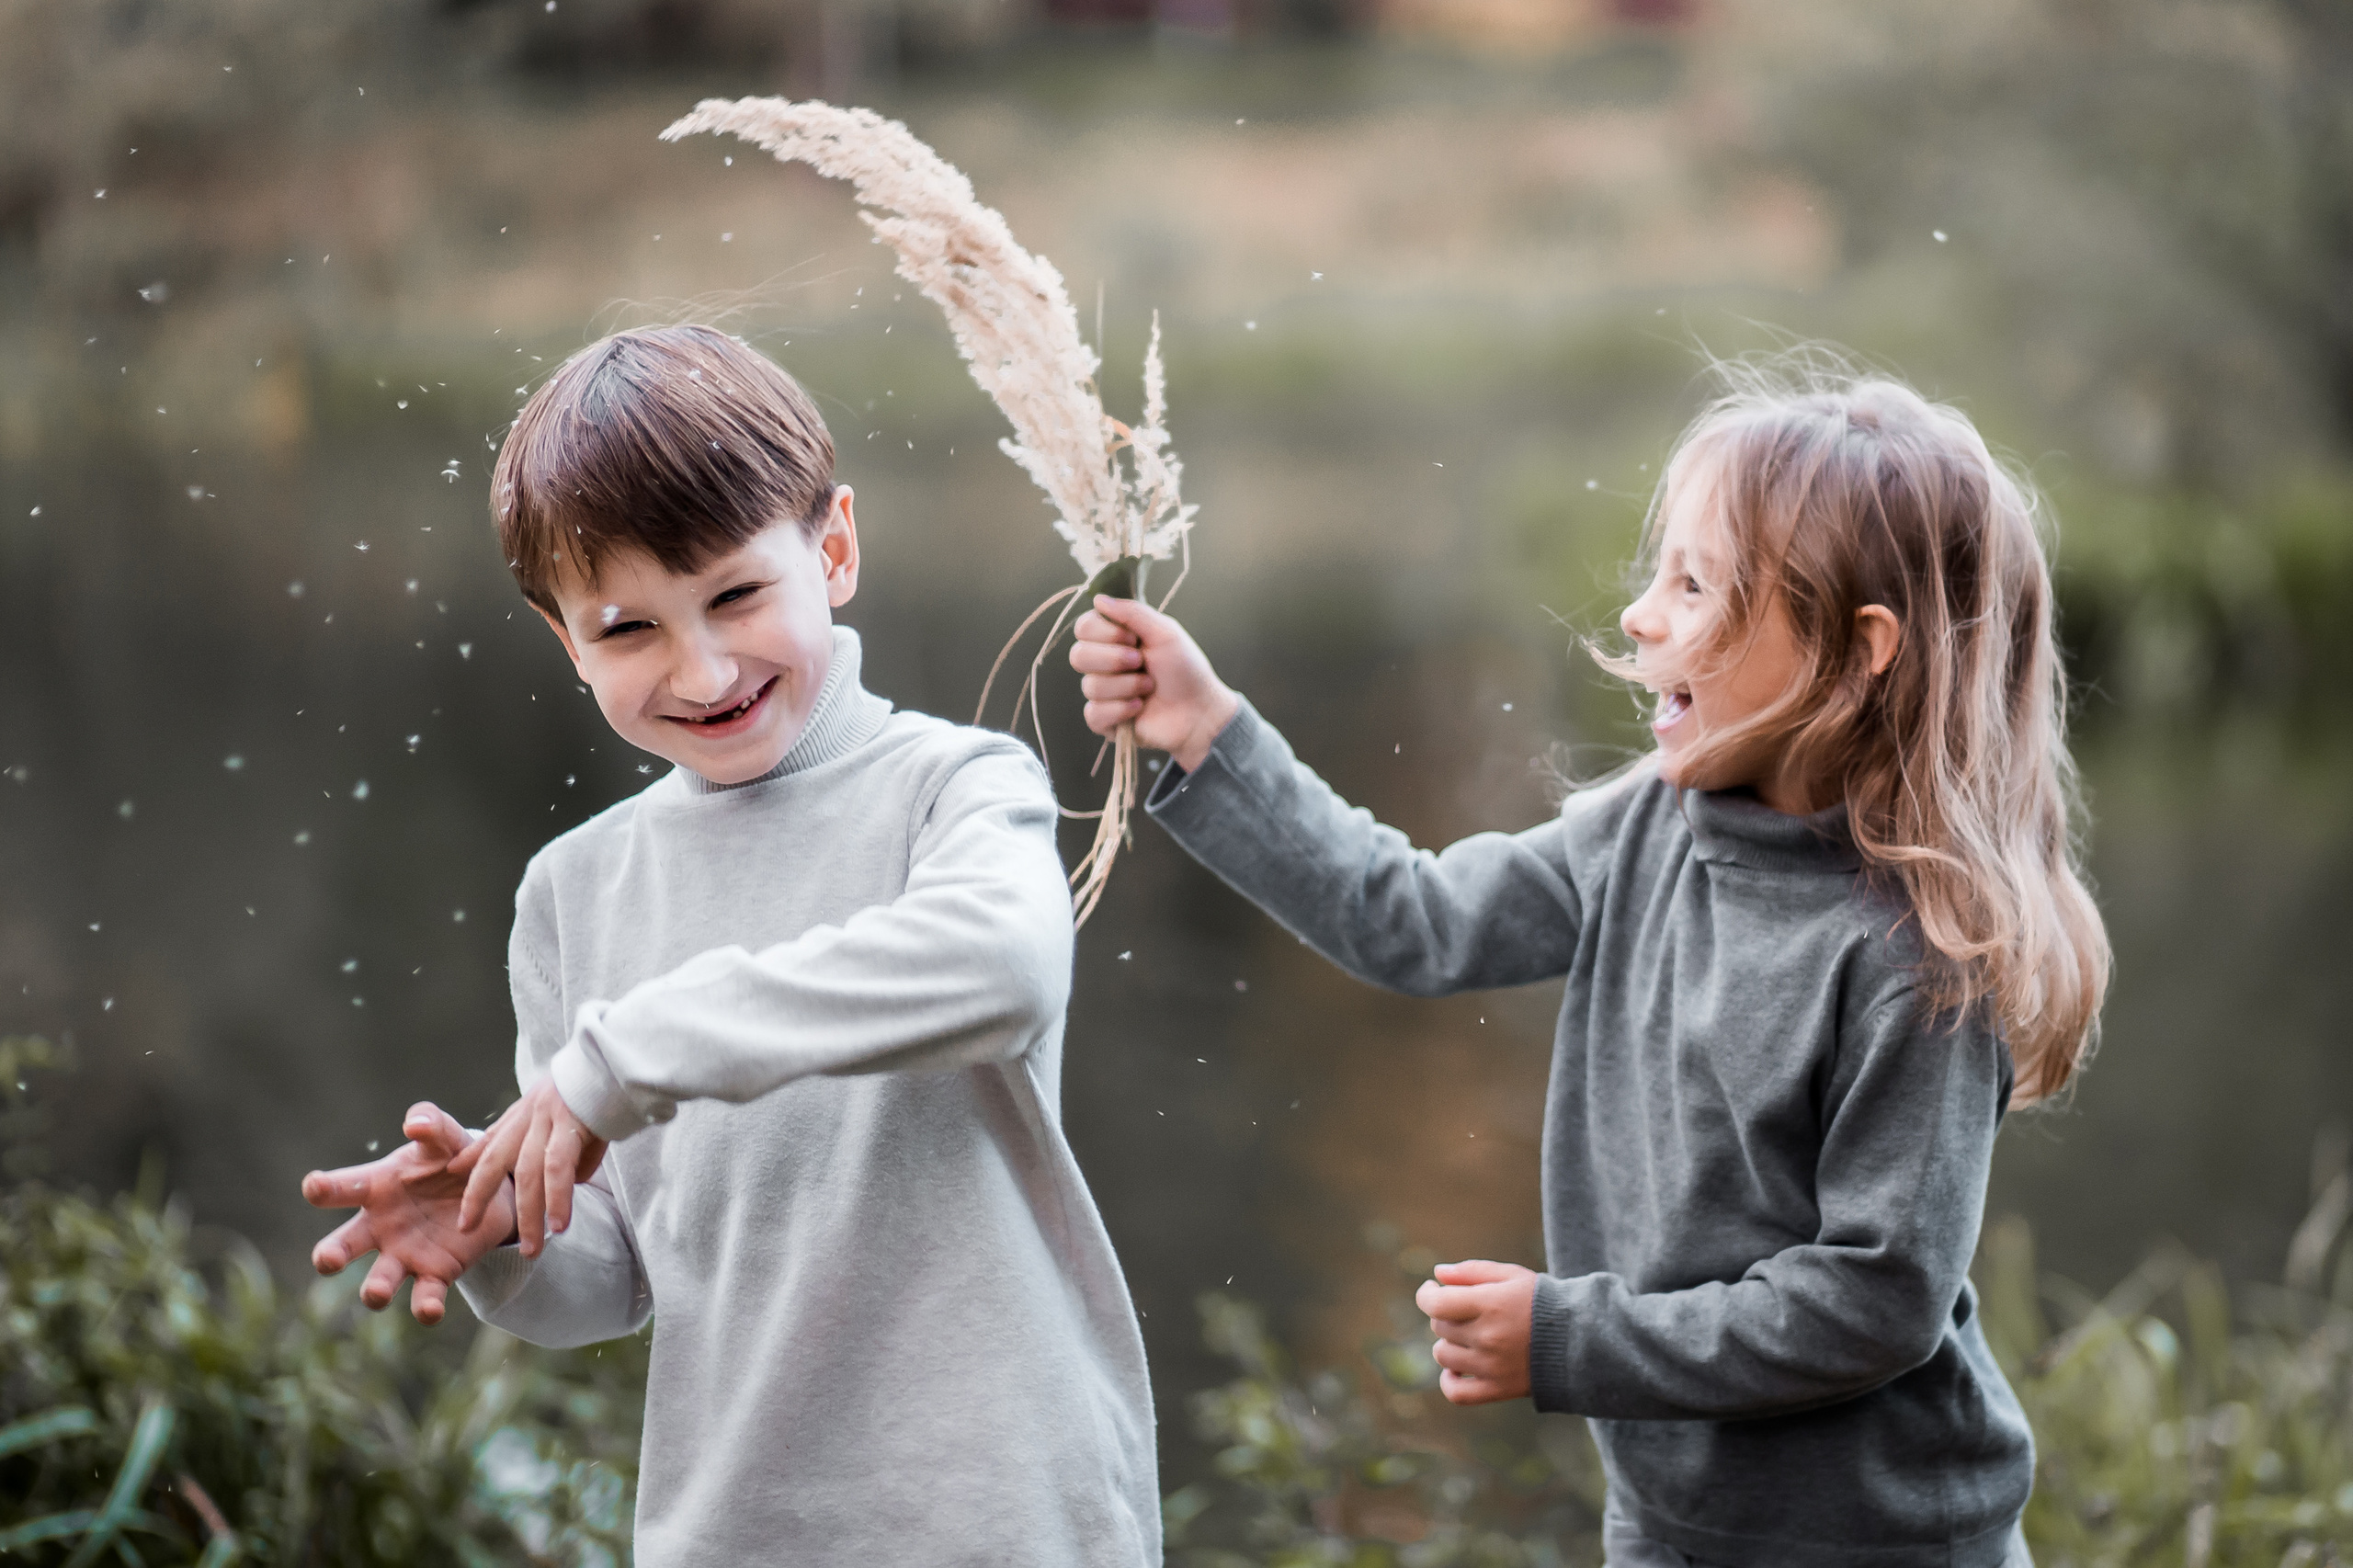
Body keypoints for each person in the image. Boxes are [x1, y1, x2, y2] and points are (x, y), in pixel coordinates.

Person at [1068, 353, 2109, 1567]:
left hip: (1879, 1540)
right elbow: (1412, 917)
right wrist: (1210, 732)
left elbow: (1874, 1301)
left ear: (1858, 650)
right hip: (1667, 1525)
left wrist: (1567, 1338)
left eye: (1697, 584)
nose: (1638, 614)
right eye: (1656, 572)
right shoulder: (1641, 830)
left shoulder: (1920, 957)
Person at [300, 324, 1159, 1568]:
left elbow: (1004, 967)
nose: (700, 668)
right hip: (738, 1527)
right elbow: (624, 1270)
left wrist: (637, 1049)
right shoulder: (572, 892)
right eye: (629, 629)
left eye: (737, 595)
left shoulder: (954, 788)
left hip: (1002, 1513)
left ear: (836, 547)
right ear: (565, 641)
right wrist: (504, 1236)